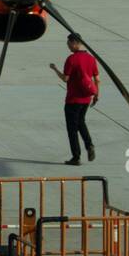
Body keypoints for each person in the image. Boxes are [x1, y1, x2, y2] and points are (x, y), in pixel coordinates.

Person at [50, 33, 99, 166]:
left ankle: (76, 157)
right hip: (86, 99)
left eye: (69, 43)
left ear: (74, 43)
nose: (68, 46)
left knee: (72, 129)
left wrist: (55, 69)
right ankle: (89, 145)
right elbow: (97, 79)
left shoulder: (71, 59)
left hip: (73, 100)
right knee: (81, 122)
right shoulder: (91, 58)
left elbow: (65, 78)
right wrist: (96, 95)